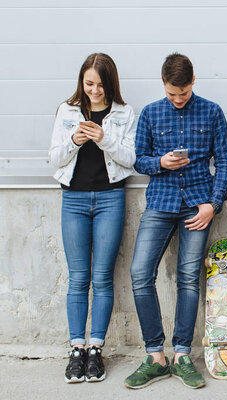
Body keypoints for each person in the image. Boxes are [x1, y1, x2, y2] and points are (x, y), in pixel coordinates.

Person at [124, 53, 227, 390]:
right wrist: (160, 162)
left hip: (197, 206)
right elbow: (138, 160)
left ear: (193, 82)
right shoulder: (151, 112)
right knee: (140, 273)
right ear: (163, 85)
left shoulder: (212, 112)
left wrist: (213, 205)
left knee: (188, 278)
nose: (178, 99)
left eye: (183, 93)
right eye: (172, 93)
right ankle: (155, 356)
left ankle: (182, 355)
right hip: (160, 202)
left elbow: (225, 162)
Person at [49, 53, 136, 383]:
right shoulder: (67, 110)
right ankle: (76, 350)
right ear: (81, 82)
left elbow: (130, 158)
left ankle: (96, 349)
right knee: (78, 276)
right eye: (89, 84)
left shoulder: (124, 113)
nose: (94, 91)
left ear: (110, 84)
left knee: (102, 276)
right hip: (72, 199)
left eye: (100, 85)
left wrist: (104, 138)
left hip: (110, 198)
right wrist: (74, 139)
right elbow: (54, 157)